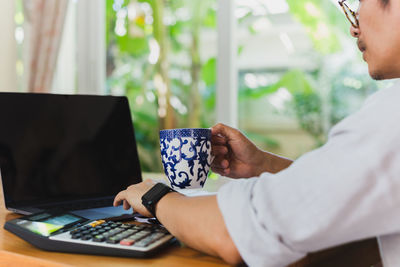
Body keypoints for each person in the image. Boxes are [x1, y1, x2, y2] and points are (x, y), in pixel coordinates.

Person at [114, 0, 400, 266]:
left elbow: (239, 232)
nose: (354, 26)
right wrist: (264, 166)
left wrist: (156, 197)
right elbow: (353, 201)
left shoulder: (392, 115)